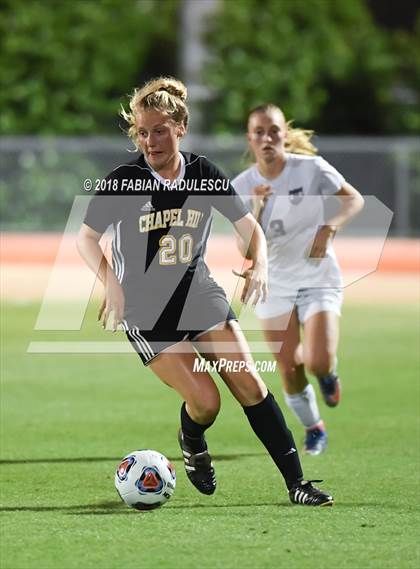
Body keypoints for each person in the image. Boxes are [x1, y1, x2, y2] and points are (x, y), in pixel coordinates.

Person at [77, 78, 333, 506]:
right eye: (142, 132)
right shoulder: (124, 181)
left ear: (180, 128)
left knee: (250, 384)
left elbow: (249, 228)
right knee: (206, 402)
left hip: (199, 293)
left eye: (159, 129)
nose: (150, 141)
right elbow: (86, 239)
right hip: (147, 311)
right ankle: (192, 437)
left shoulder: (203, 174)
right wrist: (113, 284)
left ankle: (297, 484)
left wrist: (260, 265)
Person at [232, 104, 364, 455]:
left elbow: (354, 200)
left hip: (318, 276)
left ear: (284, 134)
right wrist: (256, 208)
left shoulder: (311, 169)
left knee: (317, 360)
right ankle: (314, 428)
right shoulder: (242, 185)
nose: (267, 138)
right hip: (273, 284)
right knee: (288, 367)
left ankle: (326, 373)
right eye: (259, 132)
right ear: (250, 139)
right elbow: (245, 249)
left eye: (273, 130)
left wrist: (329, 226)